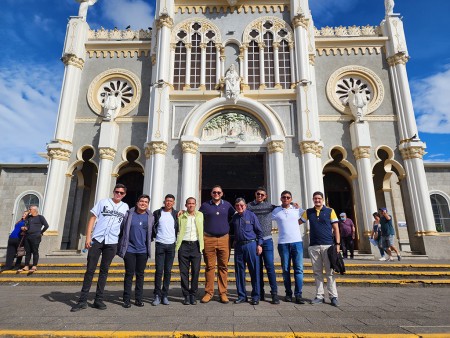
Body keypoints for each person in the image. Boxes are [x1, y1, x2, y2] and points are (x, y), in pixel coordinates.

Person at [71, 183, 129, 312]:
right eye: (117, 192)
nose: (118, 194)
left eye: (121, 193)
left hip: (112, 241)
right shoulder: (103, 202)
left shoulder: (125, 207)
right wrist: (88, 237)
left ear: (124, 195)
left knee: (104, 271)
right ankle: (82, 300)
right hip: (97, 239)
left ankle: (98, 299)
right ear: (113, 192)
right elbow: (92, 219)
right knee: (90, 270)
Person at [299, 191, 341, 307]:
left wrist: (337, 244)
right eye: (315, 199)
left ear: (323, 199)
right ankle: (319, 295)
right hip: (314, 246)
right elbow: (298, 222)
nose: (317, 200)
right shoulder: (309, 212)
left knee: (330, 272)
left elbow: (336, 228)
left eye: (319, 198)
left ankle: (333, 296)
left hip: (328, 245)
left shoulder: (330, 211)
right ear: (313, 200)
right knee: (317, 273)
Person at [199, 185, 235, 304]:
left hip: (224, 238)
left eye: (219, 192)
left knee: (223, 266)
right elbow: (197, 217)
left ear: (222, 193)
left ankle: (223, 293)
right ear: (211, 193)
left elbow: (237, 215)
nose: (216, 194)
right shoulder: (205, 205)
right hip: (208, 238)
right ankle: (209, 292)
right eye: (214, 192)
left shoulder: (227, 205)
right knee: (209, 267)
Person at [117, 194, 154, 308]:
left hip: (142, 250)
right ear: (137, 202)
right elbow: (122, 229)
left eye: (146, 202)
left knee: (140, 274)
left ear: (148, 204)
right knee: (129, 274)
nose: (143, 203)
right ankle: (126, 299)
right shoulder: (129, 214)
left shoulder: (150, 217)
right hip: (130, 249)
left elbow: (151, 232)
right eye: (141, 201)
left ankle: (138, 299)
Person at [247, 187, 280, 304]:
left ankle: (274, 293)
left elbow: (283, 207)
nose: (259, 196)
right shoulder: (249, 206)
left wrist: (294, 205)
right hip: (254, 241)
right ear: (255, 194)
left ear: (265, 196)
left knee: (270, 266)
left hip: (267, 241)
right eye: (258, 194)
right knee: (257, 268)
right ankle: (259, 292)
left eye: (262, 194)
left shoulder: (270, 206)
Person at [272, 191, 305, 304]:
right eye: (284, 197)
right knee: (286, 269)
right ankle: (288, 293)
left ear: (291, 199)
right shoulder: (276, 211)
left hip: (297, 242)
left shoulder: (296, 209)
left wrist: (297, 223)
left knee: (298, 269)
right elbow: (266, 219)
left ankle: (298, 294)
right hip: (283, 243)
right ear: (281, 198)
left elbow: (306, 216)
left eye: (288, 197)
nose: (286, 199)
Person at [231, 198, 263, 305]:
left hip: (251, 245)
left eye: (241, 205)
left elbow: (259, 232)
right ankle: (241, 296)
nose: (239, 207)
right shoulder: (234, 217)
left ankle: (255, 296)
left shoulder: (251, 215)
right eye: (237, 205)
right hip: (239, 246)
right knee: (239, 272)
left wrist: (259, 245)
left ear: (245, 205)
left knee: (254, 271)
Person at [151, 194, 179, 306]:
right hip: (160, 244)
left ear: (173, 203)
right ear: (164, 202)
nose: (169, 203)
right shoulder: (157, 213)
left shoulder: (176, 214)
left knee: (168, 271)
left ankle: (165, 294)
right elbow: (152, 225)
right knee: (159, 270)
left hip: (171, 245)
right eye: (167, 201)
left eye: (171, 201)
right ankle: (157, 295)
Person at [176, 197, 204, 305]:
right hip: (184, 245)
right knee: (184, 272)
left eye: (193, 203)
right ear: (185, 204)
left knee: (196, 271)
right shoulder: (181, 215)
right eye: (189, 203)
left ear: (195, 205)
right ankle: (186, 295)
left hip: (196, 245)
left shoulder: (200, 215)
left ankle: (193, 295)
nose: (191, 205)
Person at [18, 206, 49, 273]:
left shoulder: (40, 217)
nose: (29, 210)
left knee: (35, 251)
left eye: (30, 209)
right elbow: (27, 224)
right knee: (28, 251)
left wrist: (41, 232)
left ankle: (34, 266)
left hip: (35, 236)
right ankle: (26, 266)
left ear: (34, 210)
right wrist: (25, 228)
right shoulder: (29, 217)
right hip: (27, 236)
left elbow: (46, 225)